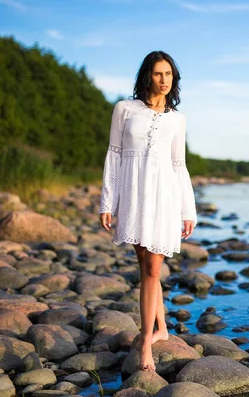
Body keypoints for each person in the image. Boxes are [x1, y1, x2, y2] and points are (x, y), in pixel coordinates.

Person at [98, 51, 197, 372]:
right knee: (144, 264)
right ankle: (163, 328)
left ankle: (145, 346)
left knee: (153, 270)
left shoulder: (177, 119)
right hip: (133, 193)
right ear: (147, 76)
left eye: (169, 74)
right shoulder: (124, 110)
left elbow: (178, 165)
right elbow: (114, 155)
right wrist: (107, 202)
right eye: (158, 73)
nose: (164, 79)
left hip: (164, 196)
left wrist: (188, 210)